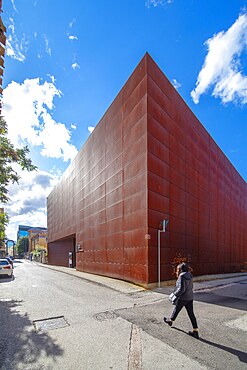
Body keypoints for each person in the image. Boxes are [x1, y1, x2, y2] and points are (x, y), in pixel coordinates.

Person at [163, 262, 199, 339]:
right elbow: (190, 287)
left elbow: (181, 289)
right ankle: (195, 331)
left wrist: (174, 295)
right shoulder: (190, 275)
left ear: (180, 269)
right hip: (190, 297)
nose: (177, 271)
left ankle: (171, 321)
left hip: (183, 298)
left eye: (177, 269)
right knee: (191, 314)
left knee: (177, 309)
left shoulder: (182, 276)